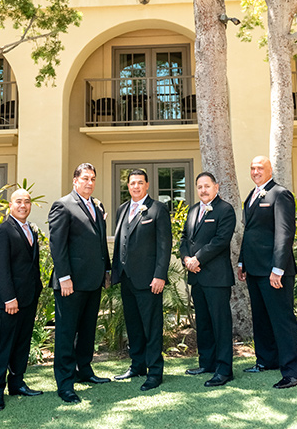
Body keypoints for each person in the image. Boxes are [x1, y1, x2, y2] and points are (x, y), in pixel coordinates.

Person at [238, 156, 297, 388]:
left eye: (260, 168)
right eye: (253, 168)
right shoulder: (252, 195)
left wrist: (278, 268)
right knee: (262, 318)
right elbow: (250, 232)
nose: (256, 171)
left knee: (282, 320)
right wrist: (241, 262)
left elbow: (284, 234)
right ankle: (267, 360)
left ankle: (294, 371)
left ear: (270, 170)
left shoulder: (280, 194)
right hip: (255, 269)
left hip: (275, 271)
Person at [49, 162, 111, 403]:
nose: (89, 183)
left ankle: (84, 371)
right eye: (85, 178)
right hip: (70, 283)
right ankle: (65, 383)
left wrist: (106, 270)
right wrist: (64, 277)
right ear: (75, 181)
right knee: (66, 333)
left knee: (87, 330)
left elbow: (99, 242)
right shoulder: (63, 206)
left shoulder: (97, 205)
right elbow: (58, 244)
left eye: (93, 179)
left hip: (93, 280)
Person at [112, 169, 172, 391]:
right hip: (127, 279)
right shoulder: (122, 209)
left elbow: (164, 246)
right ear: (127, 186)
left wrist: (160, 275)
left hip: (149, 280)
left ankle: (155, 371)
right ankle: (137, 365)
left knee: (152, 326)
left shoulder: (158, 209)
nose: (135, 186)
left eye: (140, 183)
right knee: (134, 325)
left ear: (147, 185)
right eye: (132, 183)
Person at [0, 189, 43, 411]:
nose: (23, 205)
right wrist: (10, 298)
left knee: (22, 343)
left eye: (27, 202)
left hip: (28, 298)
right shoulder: (2, 232)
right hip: (9, 301)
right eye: (18, 201)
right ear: (10, 205)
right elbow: (0, 269)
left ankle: (17, 383)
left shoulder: (31, 230)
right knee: (5, 345)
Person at [180, 172, 236, 387]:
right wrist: (186, 258)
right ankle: (207, 363)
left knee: (220, 324)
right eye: (199, 186)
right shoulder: (194, 210)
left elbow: (221, 241)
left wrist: (197, 258)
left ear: (216, 187)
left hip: (216, 278)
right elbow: (185, 238)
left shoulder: (225, 210)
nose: (203, 190)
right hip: (196, 277)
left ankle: (224, 370)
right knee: (203, 322)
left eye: (207, 186)